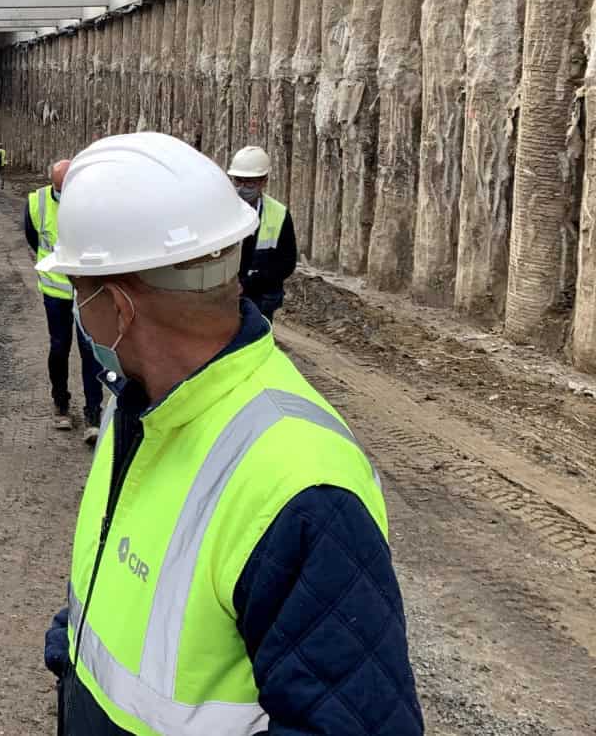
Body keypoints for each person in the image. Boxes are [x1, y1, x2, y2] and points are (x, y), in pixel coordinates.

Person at [39, 134, 421, 736]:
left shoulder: (298, 480)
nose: (77, 312)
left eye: (81, 293)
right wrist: (71, 650)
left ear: (117, 307)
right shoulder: (141, 404)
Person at [24, 159, 102, 442]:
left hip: (87, 291)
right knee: (59, 348)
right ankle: (61, 403)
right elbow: (34, 239)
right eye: (59, 189)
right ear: (53, 185)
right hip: (56, 292)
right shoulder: (38, 201)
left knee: (90, 351)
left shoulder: (94, 202)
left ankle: (94, 411)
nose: (63, 194)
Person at [227, 145, 298, 321]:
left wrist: (250, 283)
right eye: (238, 181)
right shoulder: (221, 209)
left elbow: (287, 262)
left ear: (264, 181)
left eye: (249, 182)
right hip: (225, 294)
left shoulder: (279, 214)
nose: (242, 188)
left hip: (262, 297)